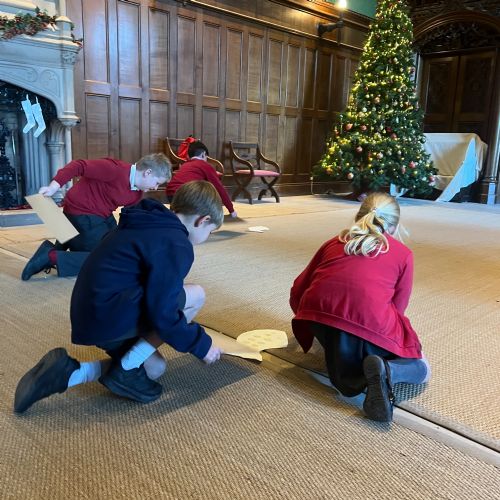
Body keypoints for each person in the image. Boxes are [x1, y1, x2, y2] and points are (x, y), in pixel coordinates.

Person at [14, 180, 225, 413]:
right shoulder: (175, 243)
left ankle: (68, 373)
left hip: (92, 311)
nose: (207, 236)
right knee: (195, 295)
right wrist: (201, 345)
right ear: (202, 220)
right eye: (210, 231)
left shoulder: (147, 220)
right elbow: (163, 312)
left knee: (154, 368)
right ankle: (125, 369)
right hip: (108, 313)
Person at [289, 192, 430, 423]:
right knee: (421, 366)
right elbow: (398, 308)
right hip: (368, 323)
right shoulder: (403, 254)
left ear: (358, 217)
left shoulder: (333, 243)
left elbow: (299, 288)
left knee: (342, 342)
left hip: (318, 319)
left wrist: (308, 319)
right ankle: (389, 370)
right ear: (394, 227)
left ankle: (354, 360)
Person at [21, 153, 172, 280]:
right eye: (157, 183)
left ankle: (67, 245)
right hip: (81, 212)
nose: (155, 188)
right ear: (148, 172)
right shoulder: (115, 169)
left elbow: (129, 218)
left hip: (102, 215)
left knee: (121, 250)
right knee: (105, 259)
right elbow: (78, 165)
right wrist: (53, 187)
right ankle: (51, 256)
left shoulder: (137, 191)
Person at [166, 140, 238, 218]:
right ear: (203, 154)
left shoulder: (185, 165)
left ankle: (177, 212)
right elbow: (219, 188)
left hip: (171, 195)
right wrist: (231, 210)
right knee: (207, 199)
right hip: (186, 196)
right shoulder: (205, 165)